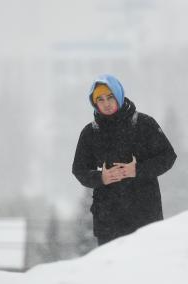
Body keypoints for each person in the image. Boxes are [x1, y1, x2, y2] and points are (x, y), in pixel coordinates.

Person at [72, 74, 177, 246]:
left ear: (119, 95)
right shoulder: (90, 133)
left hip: (145, 215)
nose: (106, 103)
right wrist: (101, 177)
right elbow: (79, 170)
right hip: (108, 220)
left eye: (110, 97)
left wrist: (137, 170)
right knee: (112, 271)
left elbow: (168, 156)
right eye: (100, 99)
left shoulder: (144, 124)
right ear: (94, 102)